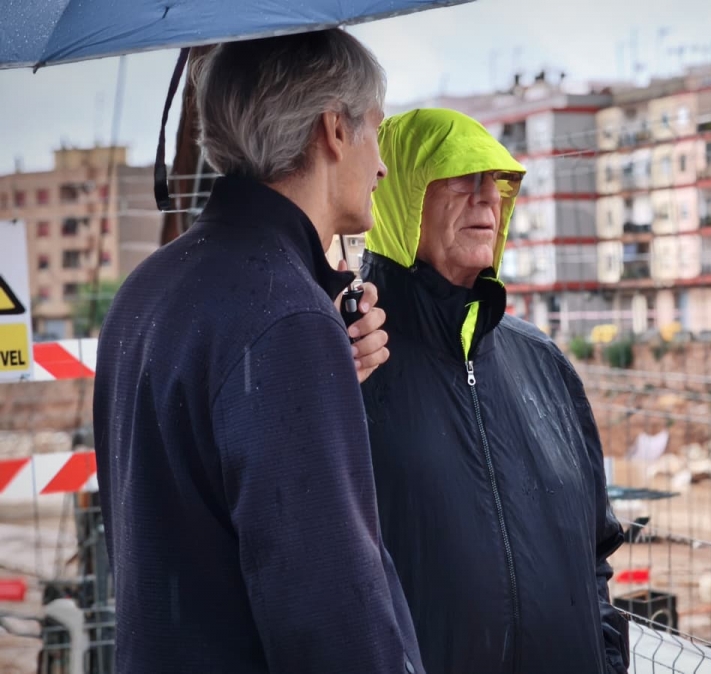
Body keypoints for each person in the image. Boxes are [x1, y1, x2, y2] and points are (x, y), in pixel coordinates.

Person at [92, 30, 425, 674]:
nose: (382, 165)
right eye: (375, 132)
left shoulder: (148, 287)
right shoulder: (285, 318)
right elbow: (329, 615)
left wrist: (325, 379)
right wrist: (306, 358)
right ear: (334, 129)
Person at [359, 108, 630, 674]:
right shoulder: (353, 365)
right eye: (460, 178)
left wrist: (605, 656)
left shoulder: (543, 363)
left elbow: (594, 551)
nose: (486, 197)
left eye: (496, 181)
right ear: (401, 194)